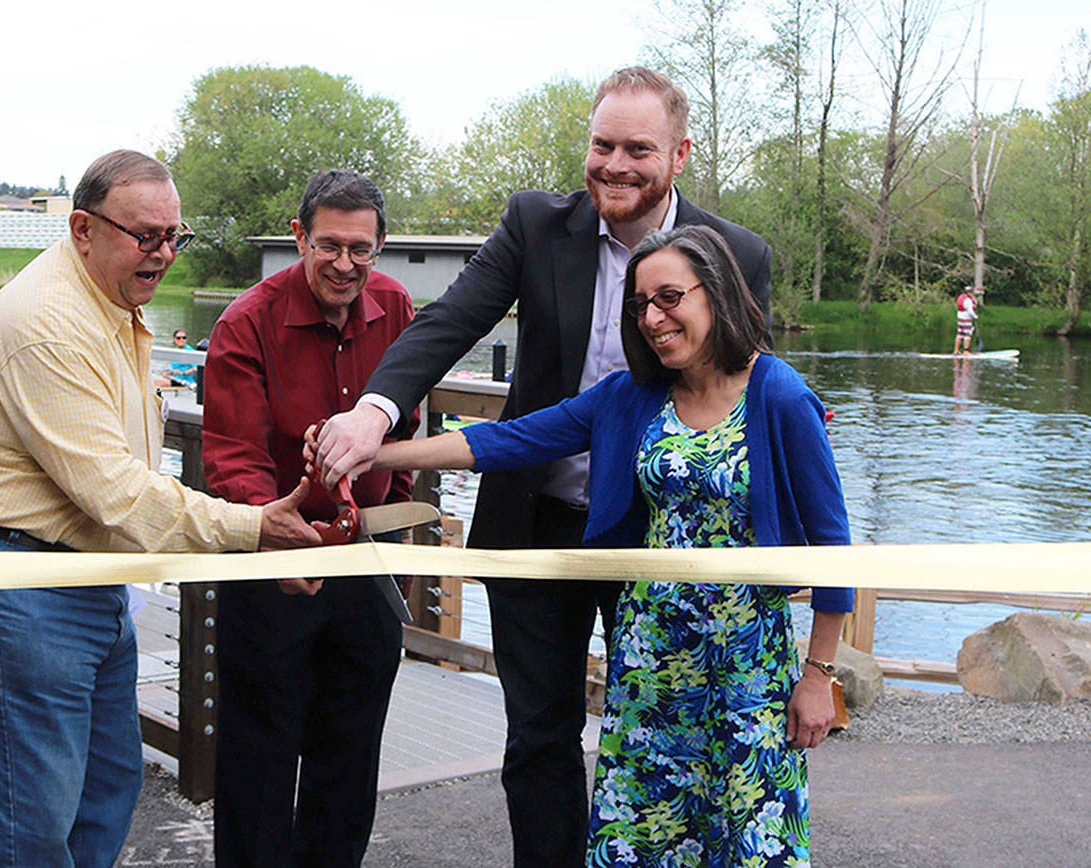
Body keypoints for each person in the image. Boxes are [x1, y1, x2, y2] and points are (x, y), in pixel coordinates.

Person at [312, 65, 774, 866]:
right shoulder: (534, 224)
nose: (616, 165)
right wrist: (373, 413)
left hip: (654, 541)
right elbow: (450, 321)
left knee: (667, 745)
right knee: (539, 737)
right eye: (602, 145)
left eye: (639, 148)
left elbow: (750, 403)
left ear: (680, 155)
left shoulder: (732, 253)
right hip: (534, 533)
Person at [320, 224, 851, 866]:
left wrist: (818, 674)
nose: (653, 318)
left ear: (715, 293)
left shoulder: (780, 395)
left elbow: (832, 545)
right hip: (651, 664)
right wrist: (370, 451)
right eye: (641, 305)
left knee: (747, 842)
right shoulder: (631, 396)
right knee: (643, 840)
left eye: (670, 298)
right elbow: (503, 442)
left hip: (747, 672)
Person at [0, 149, 323, 868]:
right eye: (146, 236)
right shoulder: (44, 322)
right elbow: (113, 488)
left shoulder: (109, 299)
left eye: (176, 236)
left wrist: (252, 534)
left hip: (87, 578)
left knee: (108, 789)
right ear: (82, 228)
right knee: (31, 824)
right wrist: (253, 528)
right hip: (15, 585)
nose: (164, 254)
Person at [201, 170, 419, 867]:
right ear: (300, 238)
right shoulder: (247, 321)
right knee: (257, 765)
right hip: (275, 564)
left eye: (362, 249)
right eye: (329, 246)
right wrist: (273, 536)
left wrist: (391, 507)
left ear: (380, 246)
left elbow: (409, 419)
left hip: (361, 561)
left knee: (349, 764)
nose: (345, 265)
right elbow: (233, 454)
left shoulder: (396, 306)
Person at [954, 286, 978, 355]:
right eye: (972, 292)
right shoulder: (968, 300)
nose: (973, 294)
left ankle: (956, 350)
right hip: (966, 319)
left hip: (960, 319)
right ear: (969, 292)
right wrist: (975, 317)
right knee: (967, 335)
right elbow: (970, 311)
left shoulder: (961, 297)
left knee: (960, 334)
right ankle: (966, 351)